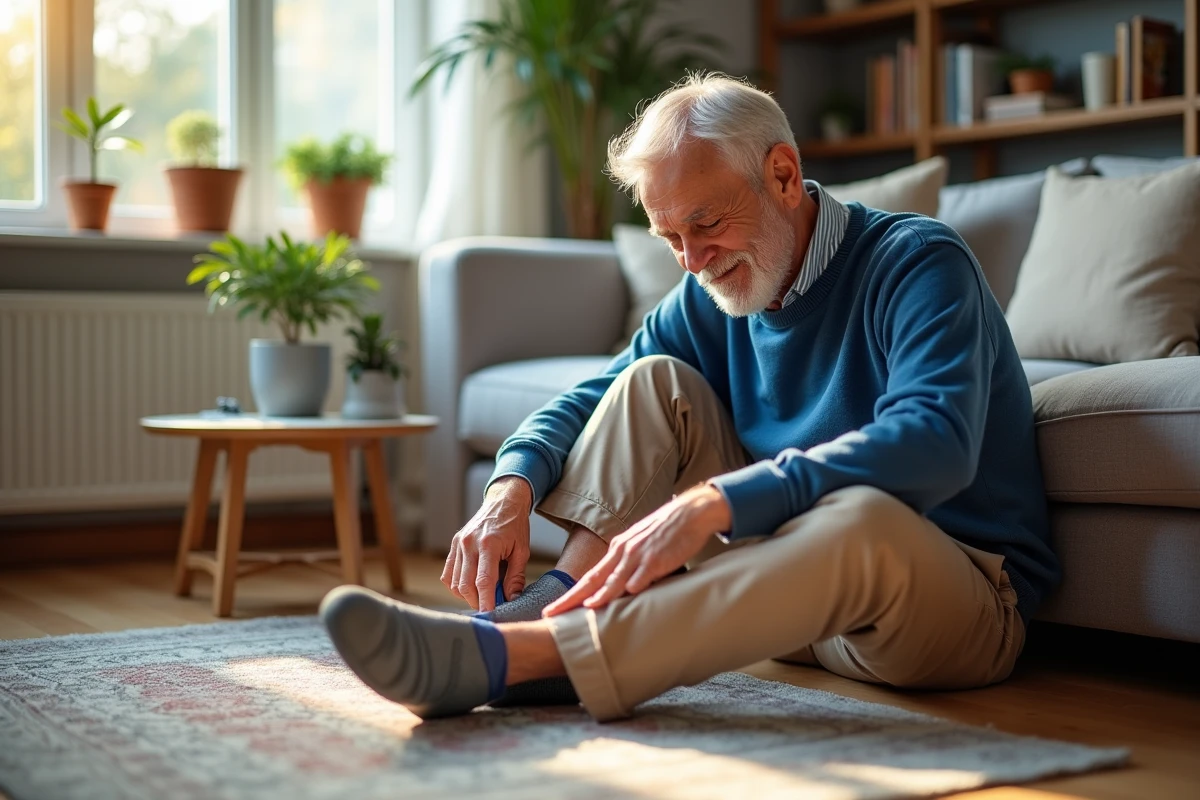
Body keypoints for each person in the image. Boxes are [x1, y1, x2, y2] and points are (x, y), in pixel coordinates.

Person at [320, 73, 1060, 721]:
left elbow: (935, 442)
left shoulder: (916, 262)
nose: (692, 260)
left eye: (705, 224)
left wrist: (719, 502)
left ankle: (526, 657)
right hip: (792, 601)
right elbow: (599, 392)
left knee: (863, 517)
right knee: (651, 380)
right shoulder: (712, 290)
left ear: (782, 175)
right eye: (669, 237)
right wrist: (509, 485)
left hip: (946, 608)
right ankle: (555, 607)